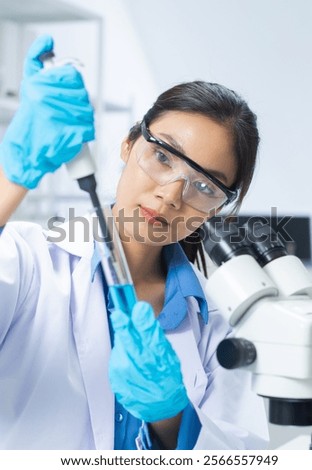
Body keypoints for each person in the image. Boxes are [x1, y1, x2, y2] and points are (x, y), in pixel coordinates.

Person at [0, 35, 269, 450]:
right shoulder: (29, 259)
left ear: (216, 209)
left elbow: (238, 453)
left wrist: (169, 417)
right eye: (163, 156)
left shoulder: (218, 324)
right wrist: (11, 177)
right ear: (128, 145)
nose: (171, 195)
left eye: (205, 185)